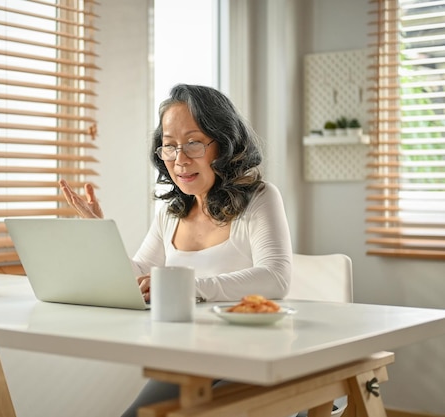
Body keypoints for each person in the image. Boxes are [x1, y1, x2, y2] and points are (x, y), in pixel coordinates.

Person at [59, 83, 292, 415]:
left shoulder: (260, 198)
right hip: (194, 357)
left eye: (194, 143)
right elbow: (140, 276)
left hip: (260, 359)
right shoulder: (170, 213)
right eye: (169, 146)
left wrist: (188, 288)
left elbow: (276, 277)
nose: (180, 159)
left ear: (224, 145)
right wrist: (100, 235)